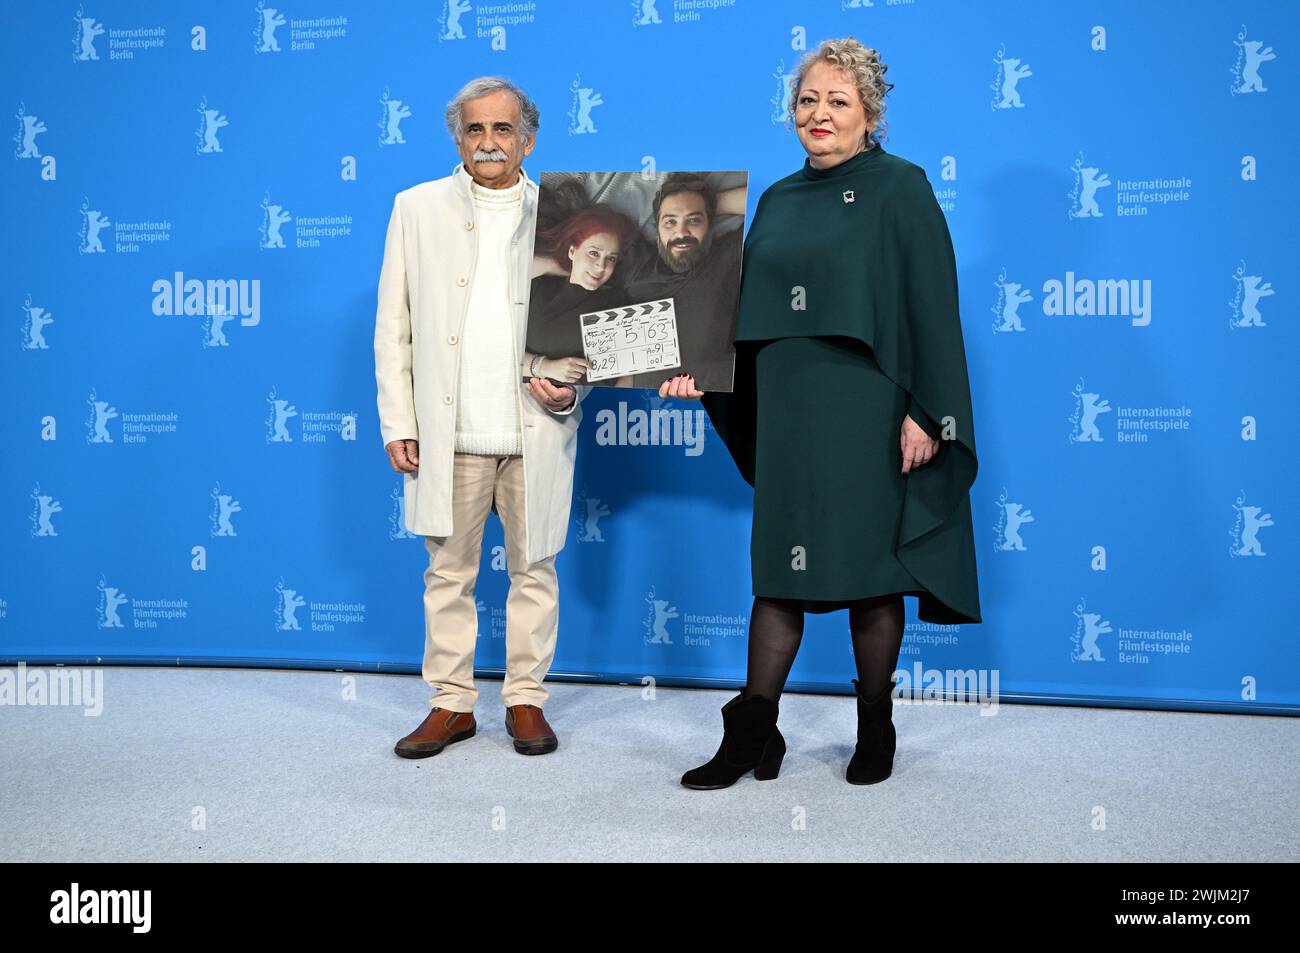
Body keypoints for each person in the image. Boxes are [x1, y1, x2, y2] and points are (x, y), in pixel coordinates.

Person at [661, 37, 982, 789]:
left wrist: (927, 412)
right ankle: (752, 734)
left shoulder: (902, 188)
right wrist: (699, 374)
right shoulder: (772, 200)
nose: (820, 113)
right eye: (808, 100)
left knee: (871, 574)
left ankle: (876, 724)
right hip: (788, 412)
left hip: (868, 409)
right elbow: (734, 316)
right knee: (779, 571)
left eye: (838, 100)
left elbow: (931, 308)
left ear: (870, 114)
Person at [374, 75, 590, 760]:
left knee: (535, 569)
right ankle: (450, 705)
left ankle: (525, 700)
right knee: (447, 574)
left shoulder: (562, 213)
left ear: (528, 138)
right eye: (475, 129)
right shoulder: (416, 207)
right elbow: (392, 327)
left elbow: (591, 327)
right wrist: (397, 420)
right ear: (457, 137)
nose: (489, 142)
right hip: (452, 433)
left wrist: (573, 392)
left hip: (535, 429)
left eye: (503, 130)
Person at [525, 203, 639, 382]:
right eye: (593, 253)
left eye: (611, 259)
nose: (601, 266)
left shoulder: (617, 302)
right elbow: (496, 351)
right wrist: (544, 366)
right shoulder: (539, 286)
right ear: (572, 250)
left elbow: (626, 375)